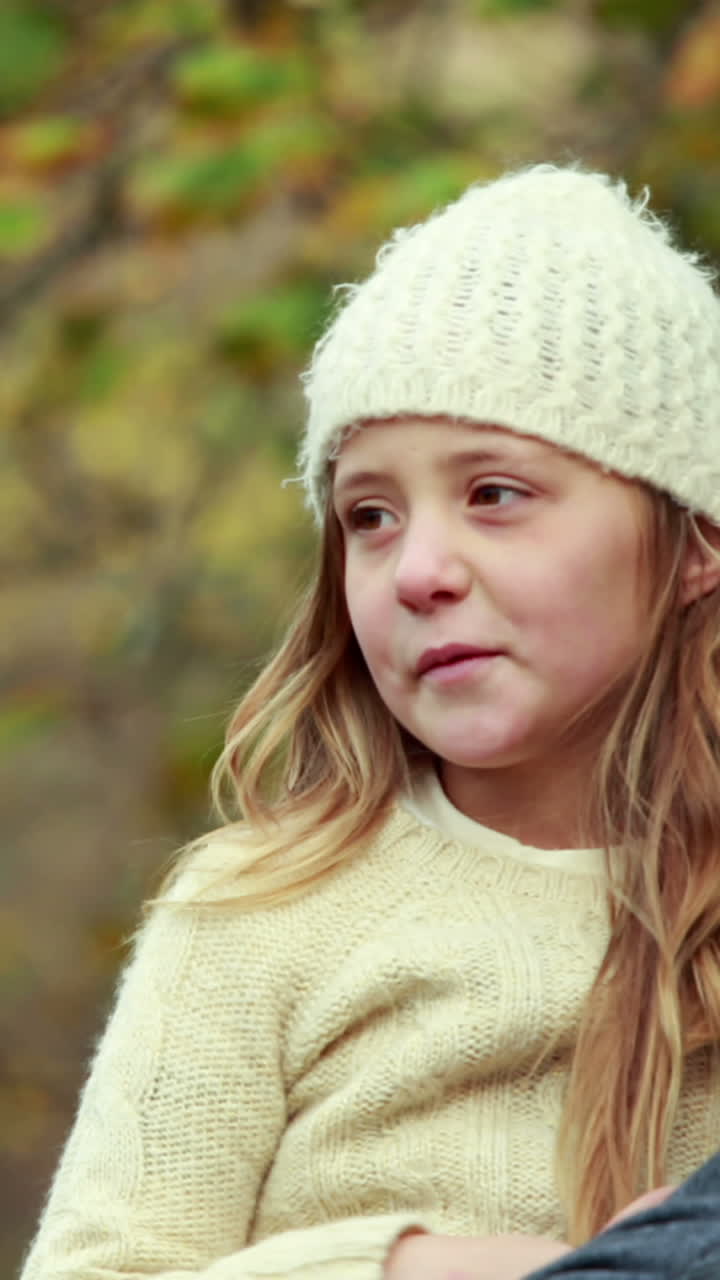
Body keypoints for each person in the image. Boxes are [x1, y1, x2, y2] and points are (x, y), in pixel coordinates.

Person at [19, 164, 720, 1280]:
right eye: (371, 516)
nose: (419, 570)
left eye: (495, 493)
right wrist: (412, 1268)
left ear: (693, 545)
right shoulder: (266, 911)